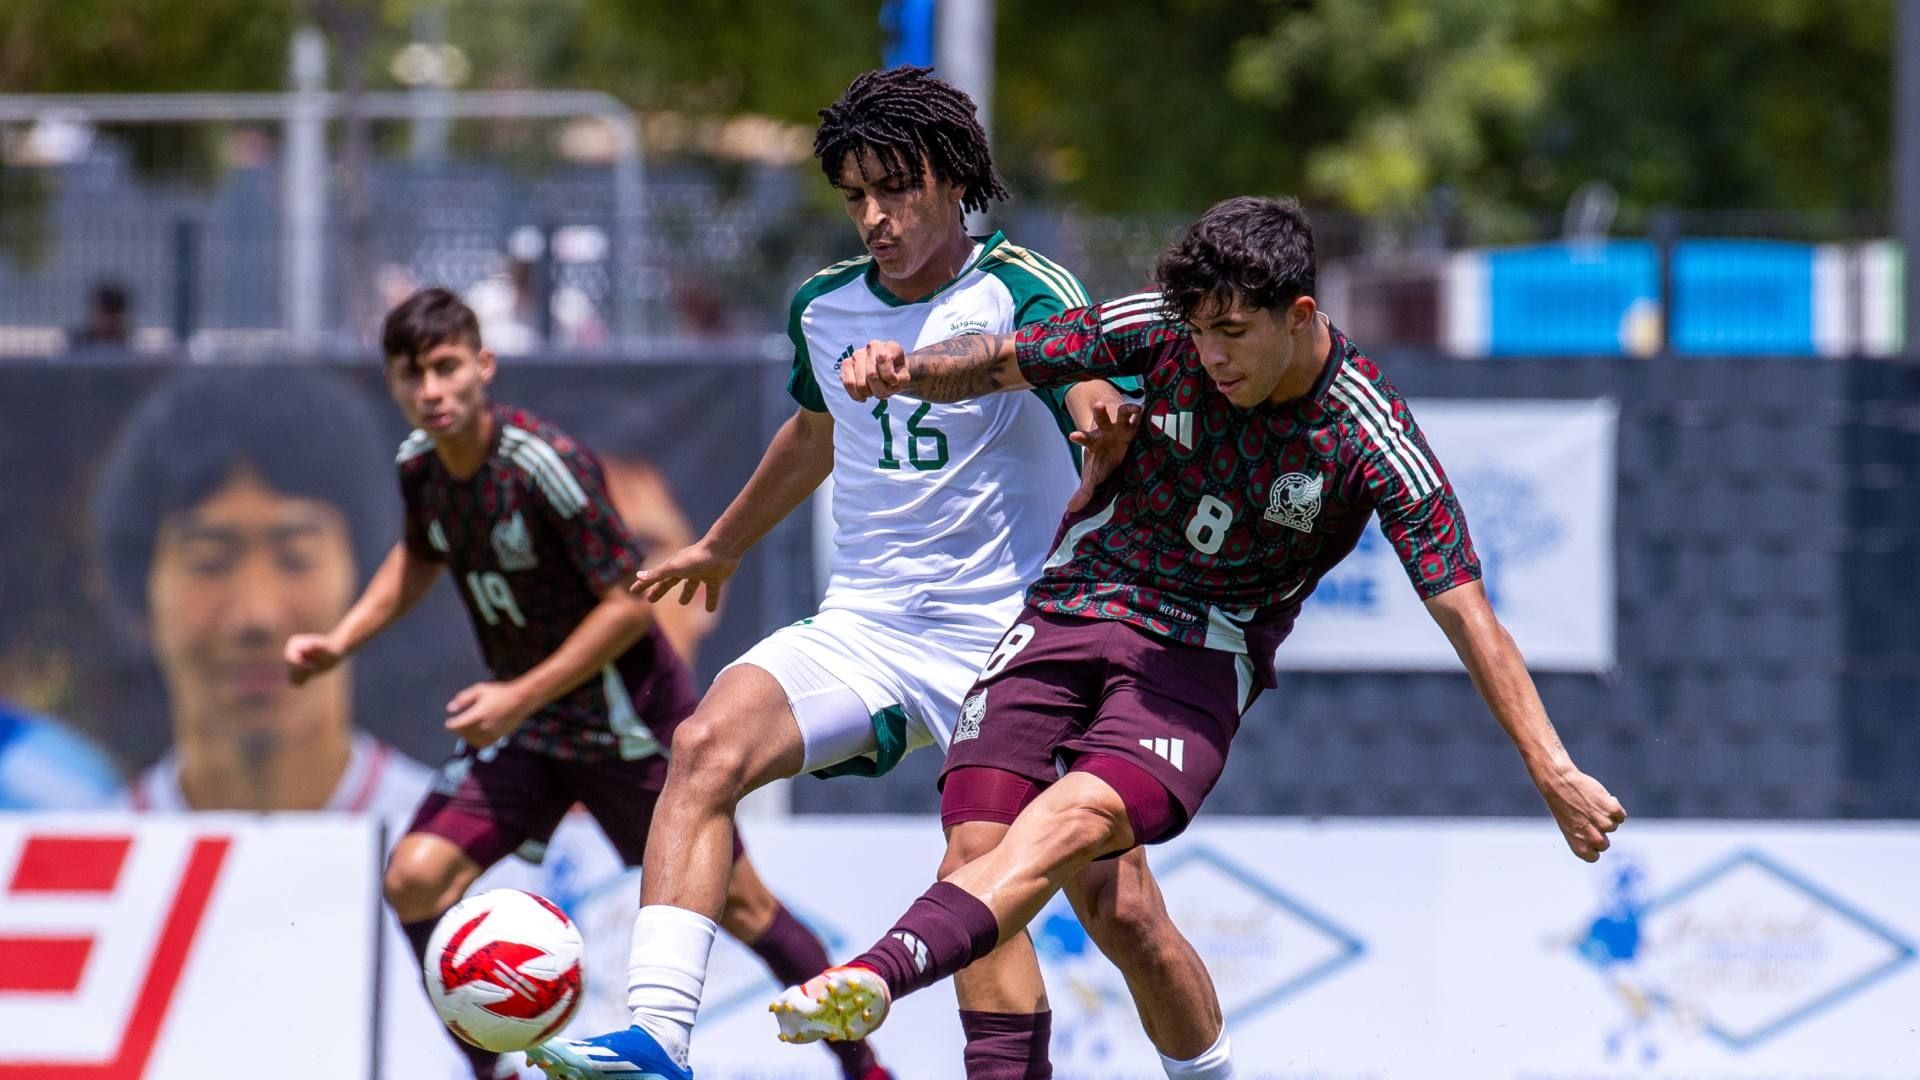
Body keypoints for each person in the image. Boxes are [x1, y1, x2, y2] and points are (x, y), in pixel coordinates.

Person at [772, 195, 1630, 1046]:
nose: (1210, 355)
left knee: (1079, 833)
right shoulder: (1166, 326)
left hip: (1200, 653)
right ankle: (893, 988)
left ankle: (878, 973)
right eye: (1199, 333)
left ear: (1298, 315)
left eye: (1233, 334)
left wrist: (1551, 768)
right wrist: (908, 368)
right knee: (991, 863)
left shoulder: (1367, 432)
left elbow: (1468, 614)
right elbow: (1005, 357)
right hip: (1072, 605)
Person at [531, 67, 1234, 1080]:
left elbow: (1086, 388)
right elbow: (817, 434)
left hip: (1016, 643)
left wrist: (1100, 421)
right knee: (705, 747)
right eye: (855, 194)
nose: (874, 216)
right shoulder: (825, 309)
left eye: (894, 188)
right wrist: (724, 542)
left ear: (953, 181)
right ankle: (656, 1036)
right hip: (865, 629)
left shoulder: (1022, 289)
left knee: (1117, 911)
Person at [278, 287, 879, 1080]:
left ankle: (867, 1070)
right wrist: (341, 639)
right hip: (530, 730)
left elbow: (630, 607)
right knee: (415, 878)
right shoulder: (420, 465)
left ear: (483, 367)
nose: (430, 391)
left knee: (746, 910)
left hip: (627, 729)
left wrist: (516, 696)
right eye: (409, 375)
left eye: (446, 367)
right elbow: (420, 552)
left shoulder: (545, 465)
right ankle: (491, 1069)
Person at [89, 365, 598, 1079]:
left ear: (368, 580)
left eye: (296, 556)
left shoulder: (485, 878)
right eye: (209, 560)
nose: (256, 614)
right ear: (143, 586)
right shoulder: (85, 876)